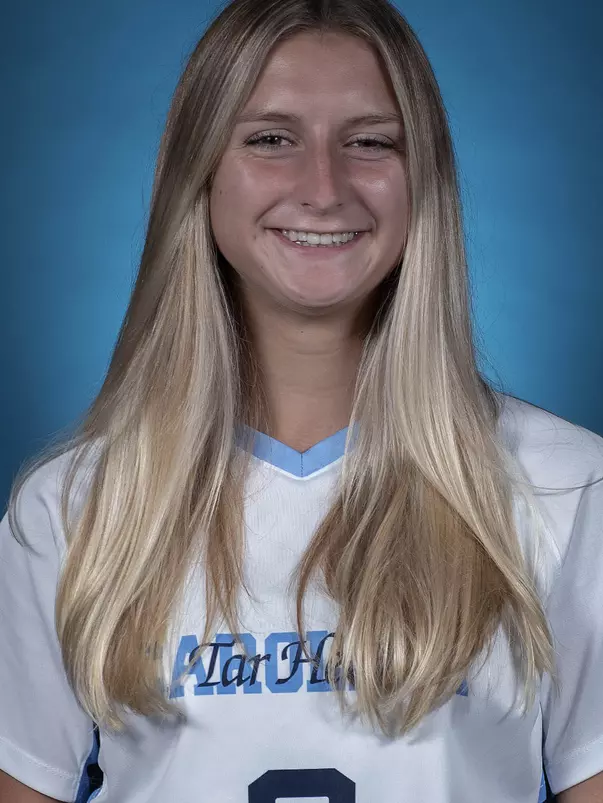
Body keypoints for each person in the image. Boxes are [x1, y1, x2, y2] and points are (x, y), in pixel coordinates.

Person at [1, 0, 602, 801]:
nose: (323, 187)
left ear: (422, 172)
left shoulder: (567, 487)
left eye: (369, 141)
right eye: (271, 139)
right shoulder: (73, 509)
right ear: (199, 168)